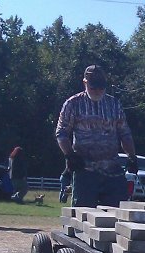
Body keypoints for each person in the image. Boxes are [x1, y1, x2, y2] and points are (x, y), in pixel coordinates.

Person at [55, 65, 137, 208]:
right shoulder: (73, 104)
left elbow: (125, 133)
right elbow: (61, 133)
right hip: (85, 170)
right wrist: (69, 155)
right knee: (82, 216)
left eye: (101, 87)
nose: (98, 91)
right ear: (85, 83)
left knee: (117, 215)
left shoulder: (114, 104)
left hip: (112, 169)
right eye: (93, 87)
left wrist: (132, 156)